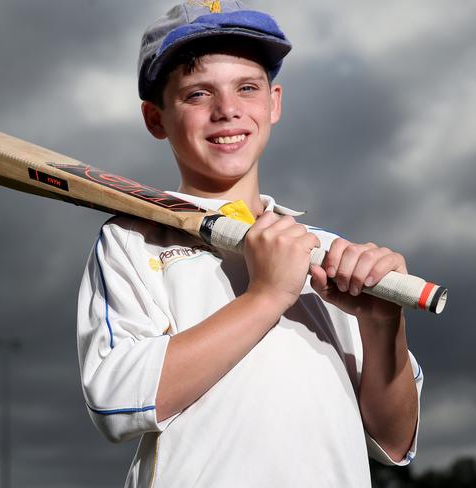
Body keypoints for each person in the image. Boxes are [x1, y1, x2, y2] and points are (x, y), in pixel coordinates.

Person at [77, 1, 423, 486]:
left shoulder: (327, 252)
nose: (227, 110)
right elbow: (114, 400)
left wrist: (383, 325)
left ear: (274, 102)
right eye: (198, 94)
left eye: (247, 88)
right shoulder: (131, 241)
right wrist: (266, 296)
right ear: (155, 119)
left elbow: (394, 440)